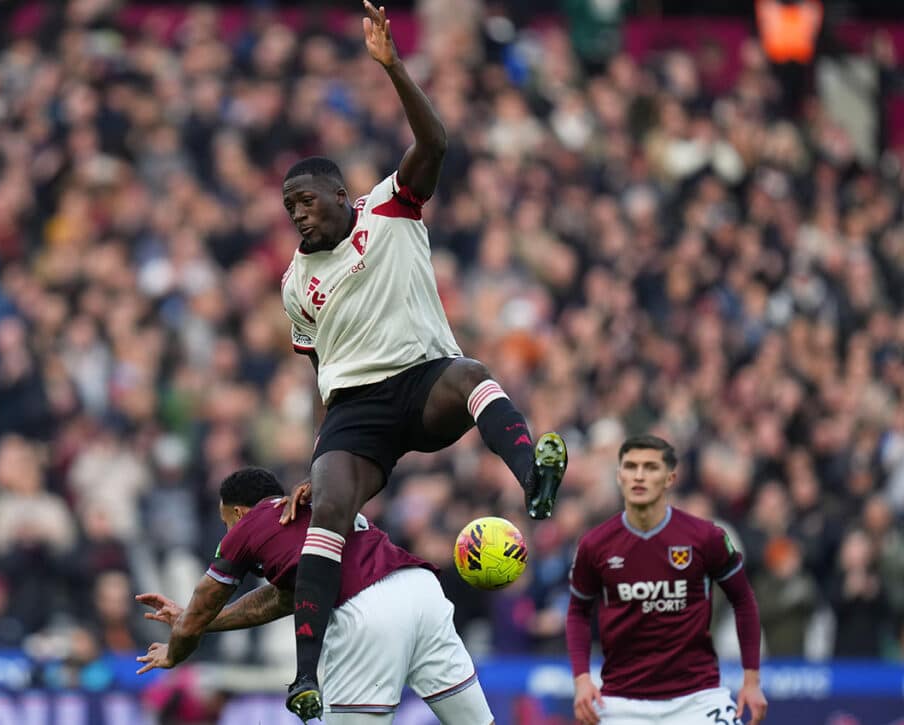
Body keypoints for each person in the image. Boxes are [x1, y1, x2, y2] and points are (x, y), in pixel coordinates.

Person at [278, 2, 567, 719]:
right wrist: (319, 454)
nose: (298, 215)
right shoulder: (295, 283)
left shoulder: (389, 208)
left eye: (306, 201)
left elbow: (435, 141)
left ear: (340, 194)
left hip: (423, 381)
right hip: (355, 410)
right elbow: (319, 371)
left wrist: (393, 67)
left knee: (472, 375)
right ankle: (305, 674)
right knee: (329, 510)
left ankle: (534, 480)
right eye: (289, 209)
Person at [134, 467, 496, 725]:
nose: (227, 529)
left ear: (239, 512)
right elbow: (280, 600)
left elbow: (199, 611)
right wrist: (201, 623)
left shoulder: (247, 527)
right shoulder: (316, 506)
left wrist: (176, 647)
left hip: (366, 610)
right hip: (420, 590)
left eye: (226, 520)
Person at [566, 435, 768, 725]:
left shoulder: (706, 537)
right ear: (619, 476)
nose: (639, 476)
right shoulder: (595, 545)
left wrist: (751, 680)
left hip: (698, 699)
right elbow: (578, 611)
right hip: (622, 702)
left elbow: (743, 600)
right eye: (631, 466)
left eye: (650, 467)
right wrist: (582, 680)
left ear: (670, 478)